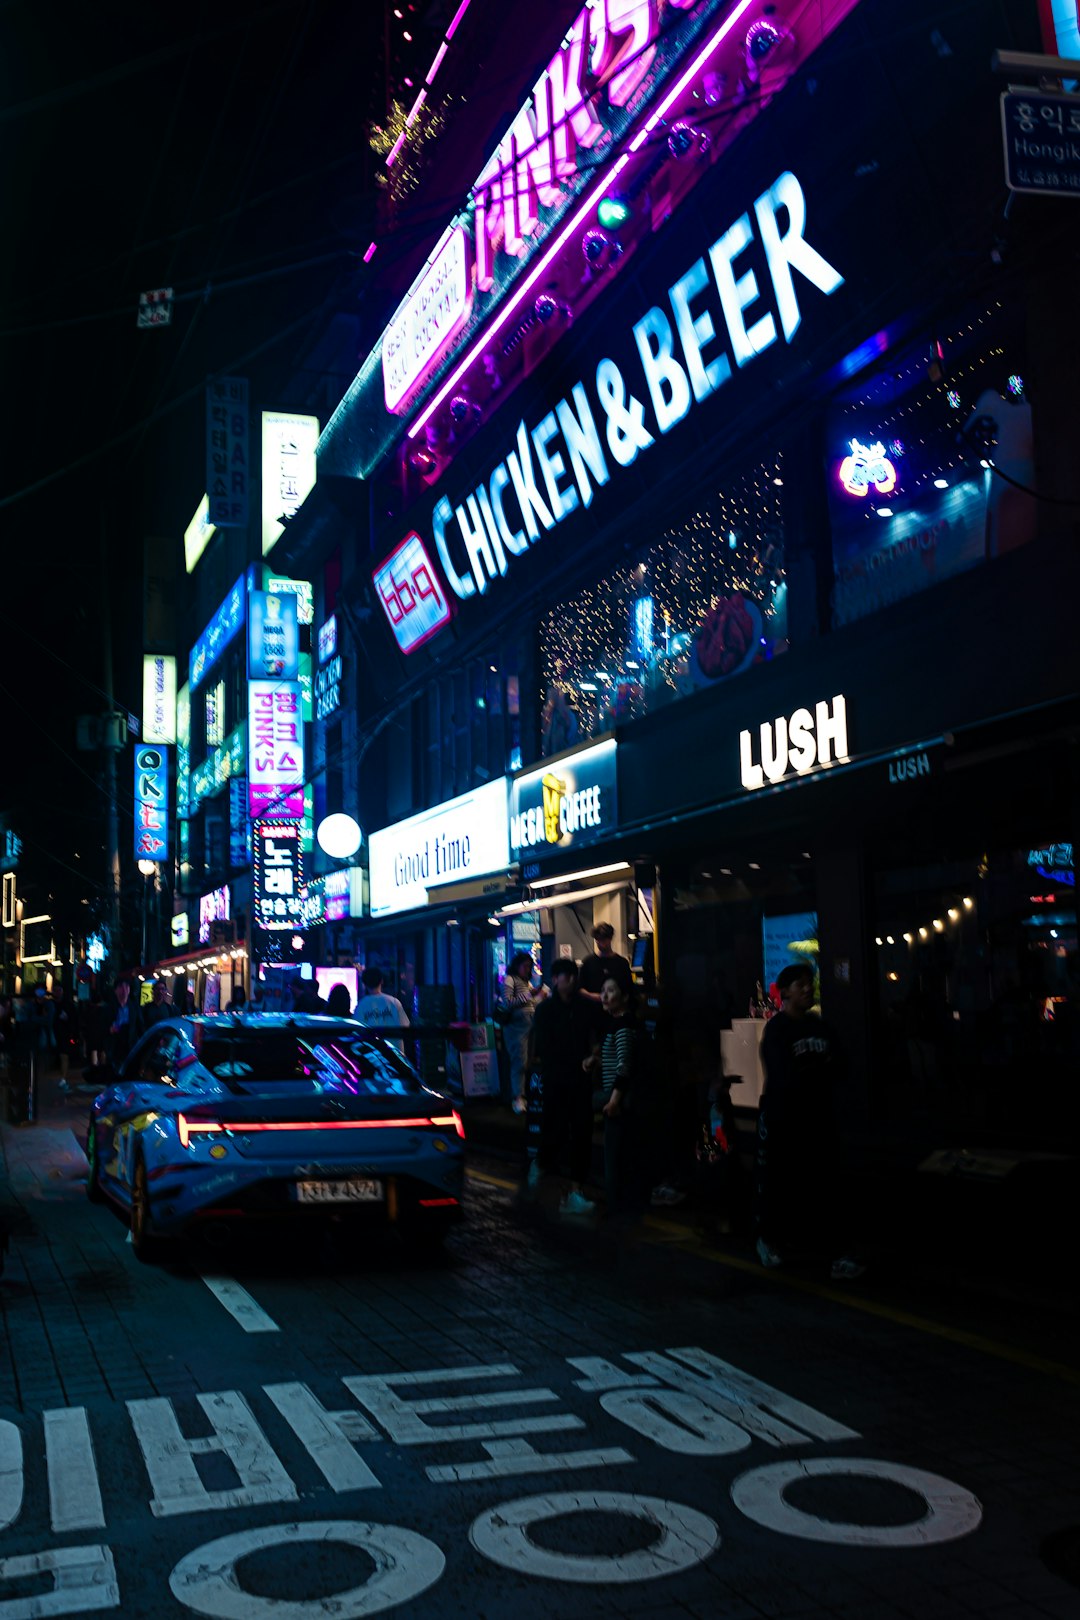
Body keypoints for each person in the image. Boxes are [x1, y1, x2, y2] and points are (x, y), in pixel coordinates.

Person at [755, 963, 865, 1281]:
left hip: (818, 1118)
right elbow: (783, 1074)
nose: (808, 989)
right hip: (785, 1119)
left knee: (824, 1183)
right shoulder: (777, 1030)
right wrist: (818, 1068)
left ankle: (828, 1248)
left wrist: (810, 1069)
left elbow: (841, 1064)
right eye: (800, 984)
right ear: (784, 992)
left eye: (809, 983)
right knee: (780, 1181)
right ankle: (770, 1239)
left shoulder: (820, 1026)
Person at [530, 959, 596, 1214]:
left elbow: (594, 1034)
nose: (570, 981)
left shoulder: (584, 1007)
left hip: (579, 1080)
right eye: (565, 976)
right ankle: (542, 1164)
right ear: (555, 979)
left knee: (582, 1133)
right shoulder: (545, 1009)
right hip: (557, 1080)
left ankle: (576, 1190)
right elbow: (545, 1048)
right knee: (554, 1131)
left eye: (572, 976)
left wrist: (593, 1055)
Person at [588, 976, 646, 1216]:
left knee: (614, 1155)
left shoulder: (622, 1025)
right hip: (618, 1096)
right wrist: (596, 1060)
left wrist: (613, 1101)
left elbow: (624, 1066)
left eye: (611, 991)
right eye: (602, 991)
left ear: (624, 997)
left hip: (619, 1099)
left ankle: (616, 1205)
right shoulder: (619, 1023)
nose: (605, 996)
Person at [499, 951, 545, 1113]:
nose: (527, 970)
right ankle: (518, 1097)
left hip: (528, 1026)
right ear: (517, 965)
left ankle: (523, 1095)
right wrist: (529, 995)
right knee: (519, 1061)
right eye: (525, 966)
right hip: (516, 1028)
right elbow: (508, 1002)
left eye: (529, 967)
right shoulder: (510, 980)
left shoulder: (526, 983)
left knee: (526, 1062)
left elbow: (531, 1004)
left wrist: (538, 998)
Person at [578, 923, 632, 1006]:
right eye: (597, 940)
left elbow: (628, 989)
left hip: (615, 1011)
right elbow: (580, 988)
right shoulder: (588, 962)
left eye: (603, 940)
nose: (600, 944)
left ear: (610, 939)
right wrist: (594, 997)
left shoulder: (622, 963)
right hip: (593, 1011)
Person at [354, 966, 409, 1030]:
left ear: (364, 984)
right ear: (382, 981)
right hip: (393, 1040)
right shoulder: (394, 1002)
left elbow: (357, 1029)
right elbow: (405, 1026)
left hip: (371, 1040)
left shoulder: (361, 1005)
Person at [106, 979, 141, 1072]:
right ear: (115, 990)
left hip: (130, 1044)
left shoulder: (134, 1006)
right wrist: (110, 1029)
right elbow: (103, 1026)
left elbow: (140, 1025)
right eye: (121, 987)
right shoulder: (109, 1007)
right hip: (115, 1045)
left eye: (127, 987)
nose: (124, 990)